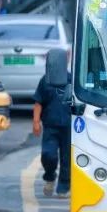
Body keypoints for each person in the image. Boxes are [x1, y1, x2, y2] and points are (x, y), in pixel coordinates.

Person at [33, 48, 72, 198]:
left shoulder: (71, 80)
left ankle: (64, 186)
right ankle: (49, 177)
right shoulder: (45, 81)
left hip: (68, 127)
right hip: (50, 126)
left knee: (66, 158)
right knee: (48, 155)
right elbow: (38, 102)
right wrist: (36, 122)